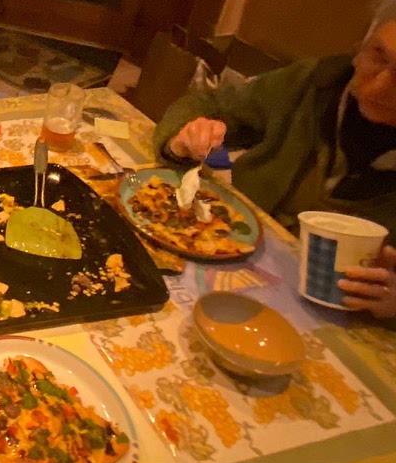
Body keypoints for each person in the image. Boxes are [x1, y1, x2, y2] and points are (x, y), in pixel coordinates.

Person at [153, 18, 396, 319]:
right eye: (378, 56)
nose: (378, 85)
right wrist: (183, 138)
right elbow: (209, 105)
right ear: (359, 50)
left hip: (344, 315)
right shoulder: (314, 82)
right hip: (229, 248)